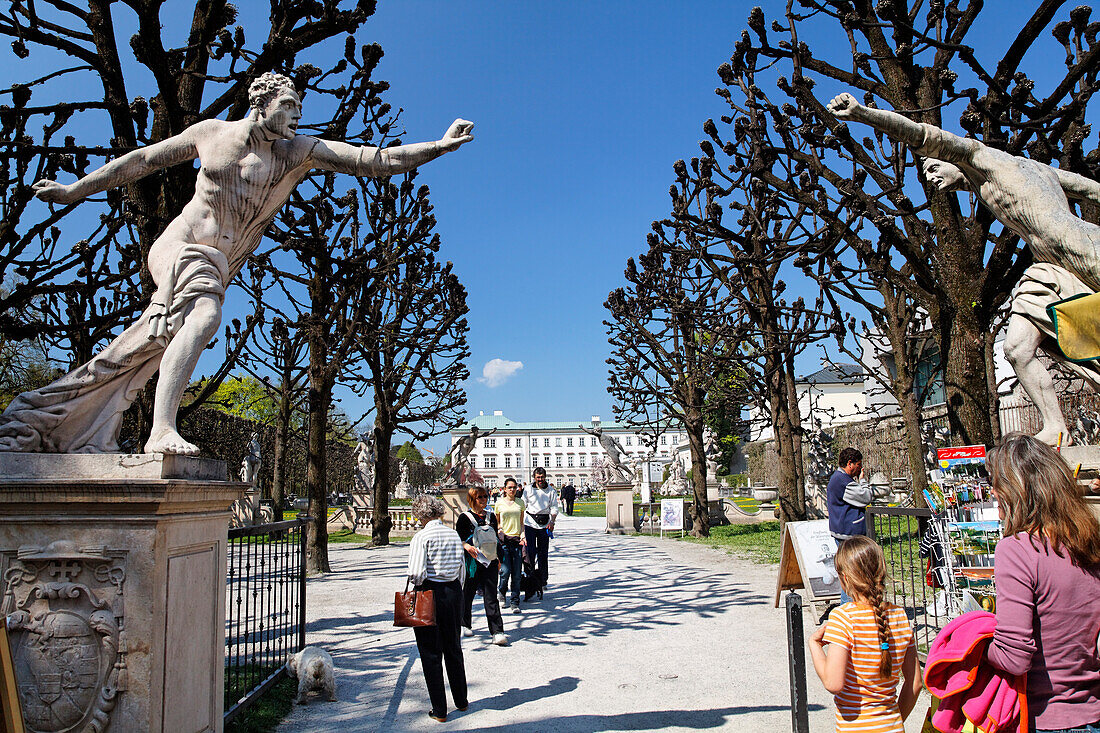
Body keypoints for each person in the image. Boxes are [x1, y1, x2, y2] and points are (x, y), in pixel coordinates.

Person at [0, 72, 473, 456]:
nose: (297, 117)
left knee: (150, 341)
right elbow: (142, 159)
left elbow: (377, 160)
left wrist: (439, 146)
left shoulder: (298, 153)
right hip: (180, 247)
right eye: (290, 108)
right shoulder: (211, 134)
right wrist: (74, 190)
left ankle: (50, 413)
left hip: (219, 262)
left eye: (299, 112)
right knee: (204, 317)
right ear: (262, 103)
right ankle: (161, 430)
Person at [828, 92, 1100, 446]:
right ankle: (1055, 427)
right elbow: (1091, 189)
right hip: (1047, 263)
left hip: (1078, 245)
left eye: (934, 167)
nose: (931, 176)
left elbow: (921, 133)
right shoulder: (1036, 171)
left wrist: (863, 114)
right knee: (1017, 348)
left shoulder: (981, 156)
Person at [983, 433, 1100, 732]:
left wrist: (975, 645)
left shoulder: (1017, 549)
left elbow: (1014, 657)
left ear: (1016, 490)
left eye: (996, 483)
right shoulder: (1089, 543)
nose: (992, 492)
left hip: (1045, 718)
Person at [809, 536, 922, 733]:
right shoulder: (899, 616)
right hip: (893, 727)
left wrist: (814, 645)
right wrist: (894, 721)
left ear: (844, 577)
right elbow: (915, 683)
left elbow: (833, 683)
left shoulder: (843, 618)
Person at [407, 495, 468, 723]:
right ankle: (461, 700)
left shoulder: (421, 537)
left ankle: (440, 709)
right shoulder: (453, 534)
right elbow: (461, 569)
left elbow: (416, 573)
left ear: (420, 514)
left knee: (431, 651)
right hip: (453, 592)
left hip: (429, 592)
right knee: (453, 647)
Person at [455, 487, 508, 646]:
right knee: (468, 593)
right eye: (480, 497)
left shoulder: (491, 516)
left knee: (491, 596)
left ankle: (497, 631)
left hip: (490, 560)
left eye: (485, 496)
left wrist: (499, 558)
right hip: (473, 561)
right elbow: (459, 539)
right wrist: (466, 547)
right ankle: (465, 622)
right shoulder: (464, 518)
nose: (484, 500)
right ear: (472, 499)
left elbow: (496, 539)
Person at [523, 467, 558, 600]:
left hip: (544, 523)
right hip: (530, 523)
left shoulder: (551, 491)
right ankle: (530, 577)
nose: (540, 479)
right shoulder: (528, 490)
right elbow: (523, 505)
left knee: (543, 553)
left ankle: (543, 580)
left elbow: (554, 507)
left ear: (545, 477)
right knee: (530, 552)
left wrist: (552, 522)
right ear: (534, 477)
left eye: (542, 477)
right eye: (538, 477)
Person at [495, 478, 526, 613]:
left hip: (516, 540)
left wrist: (523, 535)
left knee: (517, 573)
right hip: (504, 541)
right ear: (505, 489)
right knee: (505, 571)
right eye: (509, 487)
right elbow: (496, 522)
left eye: (514, 487)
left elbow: (522, 522)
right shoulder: (499, 503)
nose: (512, 490)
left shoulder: (520, 503)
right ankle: (501, 592)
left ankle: (515, 601)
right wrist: (499, 531)